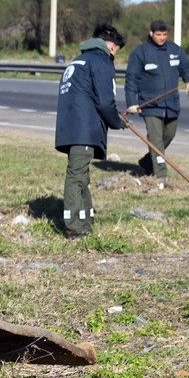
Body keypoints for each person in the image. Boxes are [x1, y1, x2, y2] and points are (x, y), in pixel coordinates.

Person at [54, 23, 126, 239]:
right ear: (110, 46)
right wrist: (117, 121)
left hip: (70, 127)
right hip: (85, 128)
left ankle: (85, 220)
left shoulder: (77, 61)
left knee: (81, 174)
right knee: (76, 176)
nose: (114, 55)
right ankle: (74, 227)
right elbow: (105, 102)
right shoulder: (101, 61)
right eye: (115, 50)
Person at [125, 19, 189, 188]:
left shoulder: (175, 50)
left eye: (165, 34)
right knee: (156, 139)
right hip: (150, 106)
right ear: (151, 34)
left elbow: (186, 67)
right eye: (158, 34)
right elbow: (131, 80)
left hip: (171, 104)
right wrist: (131, 102)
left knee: (169, 135)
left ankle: (147, 161)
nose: (162, 38)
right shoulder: (140, 53)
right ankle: (161, 176)